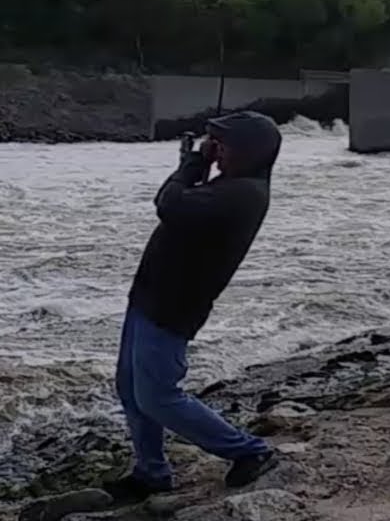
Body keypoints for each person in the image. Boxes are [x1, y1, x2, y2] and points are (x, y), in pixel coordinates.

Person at [104, 110, 283, 505]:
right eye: (214, 144)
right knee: (131, 390)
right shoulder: (232, 183)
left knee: (157, 396)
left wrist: (191, 164)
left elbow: (169, 204)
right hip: (149, 297)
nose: (215, 151)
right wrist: (202, 165)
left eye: (224, 146)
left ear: (250, 152)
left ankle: (251, 451)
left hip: (172, 306)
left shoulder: (243, 193)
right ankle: (151, 473)